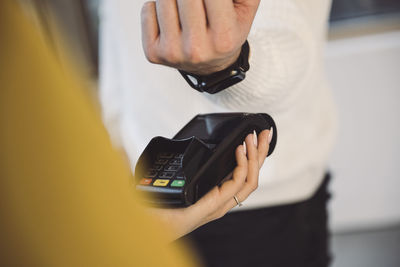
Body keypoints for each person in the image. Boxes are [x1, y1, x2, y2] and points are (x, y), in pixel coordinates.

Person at [0, 1, 271, 265]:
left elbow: (292, 45)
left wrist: (224, 67)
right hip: (133, 203)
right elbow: (116, 54)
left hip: (264, 207)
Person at [100, 0, 337, 266]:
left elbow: (289, 37)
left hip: (258, 213)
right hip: (148, 203)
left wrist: (226, 66)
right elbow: (118, 45)